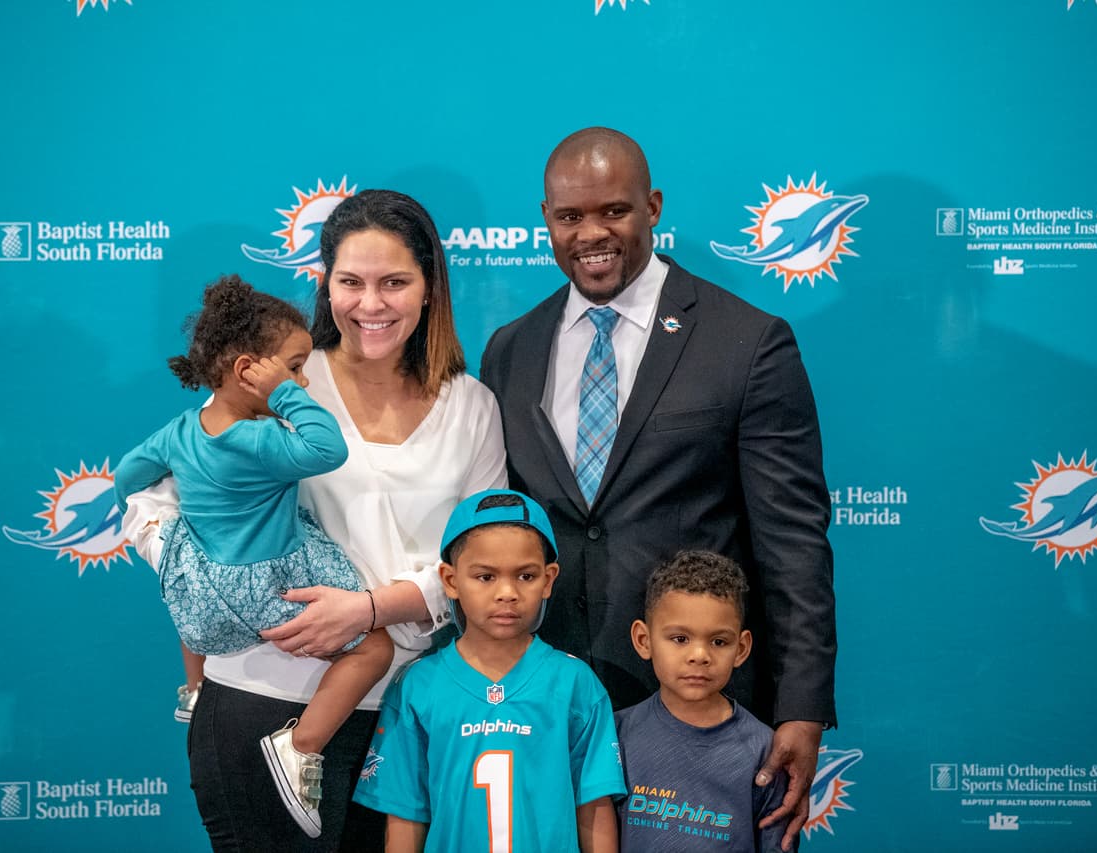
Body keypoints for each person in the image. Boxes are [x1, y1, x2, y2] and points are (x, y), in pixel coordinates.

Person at [479, 127, 836, 851]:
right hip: (545, 701)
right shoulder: (510, 348)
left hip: (697, 713)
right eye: (569, 217)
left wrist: (802, 705)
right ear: (545, 218)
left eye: (613, 210)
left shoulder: (748, 341)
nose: (591, 234)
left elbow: (793, 541)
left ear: (654, 206)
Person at [121, 190, 508, 851]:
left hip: (413, 717)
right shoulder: (281, 380)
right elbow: (150, 504)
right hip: (257, 698)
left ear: (429, 287)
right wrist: (221, 575)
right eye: (350, 282)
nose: (371, 304)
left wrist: (370, 609)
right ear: (324, 285)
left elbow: (486, 564)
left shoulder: (471, 405)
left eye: (394, 282)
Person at [113, 276, 394, 838]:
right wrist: (289, 398)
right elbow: (326, 448)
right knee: (378, 645)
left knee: (183, 584)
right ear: (249, 371)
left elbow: (127, 476)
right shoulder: (258, 441)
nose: (304, 378)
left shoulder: (181, 431)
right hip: (270, 584)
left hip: (208, 592)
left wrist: (182, 517)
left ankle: (194, 693)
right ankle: (301, 745)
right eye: (293, 367)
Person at [353, 490, 626, 853]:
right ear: (450, 580)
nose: (507, 593)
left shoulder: (575, 685)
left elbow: (594, 807)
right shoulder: (419, 686)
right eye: (485, 577)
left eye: (525, 576)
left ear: (549, 579)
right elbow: (406, 816)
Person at [617, 550, 788, 852]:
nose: (700, 655)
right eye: (680, 639)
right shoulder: (614, 735)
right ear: (644, 640)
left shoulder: (764, 750)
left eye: (718, 641)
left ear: (741, 648)